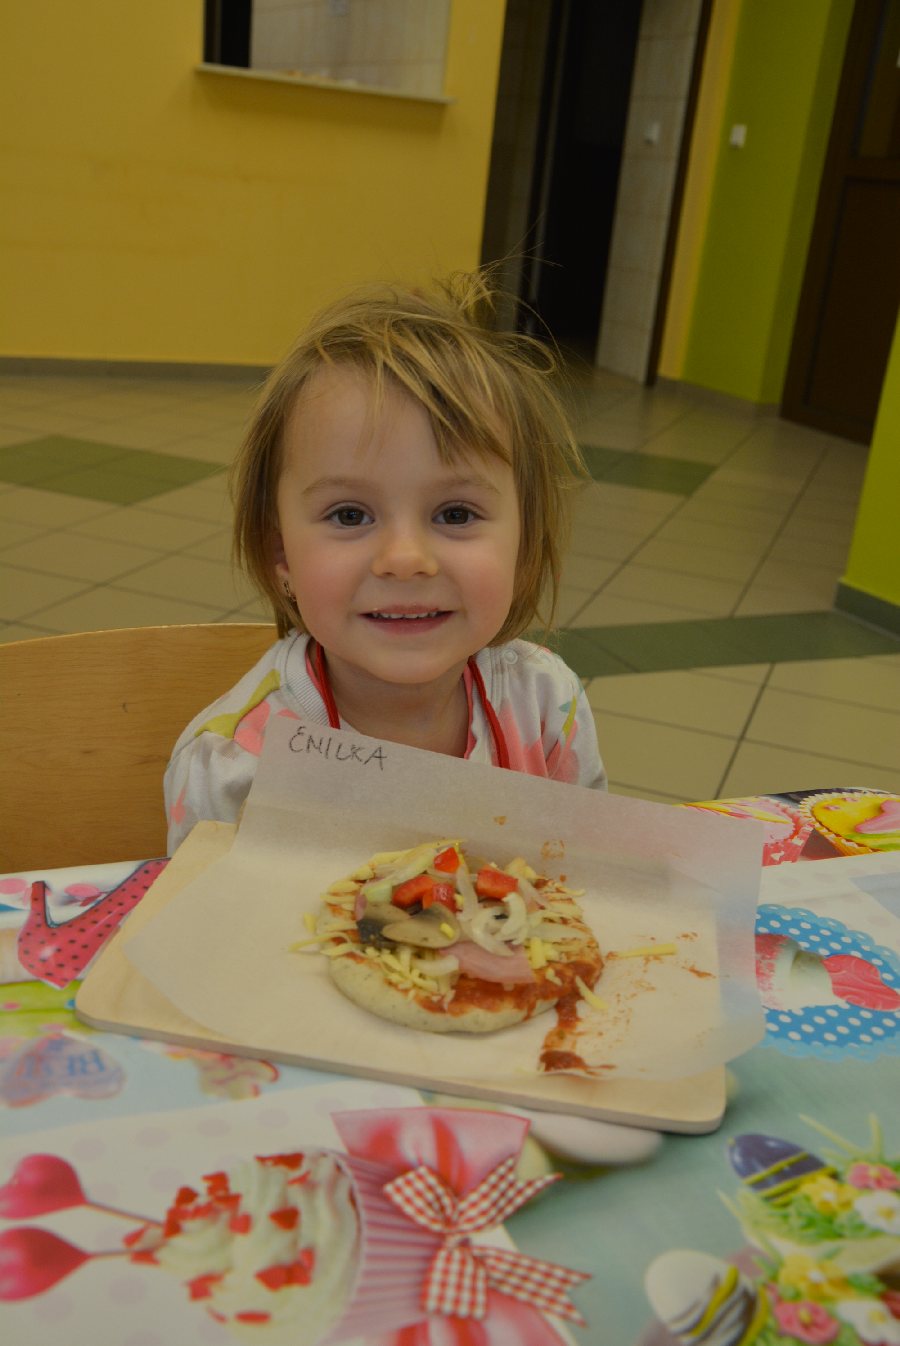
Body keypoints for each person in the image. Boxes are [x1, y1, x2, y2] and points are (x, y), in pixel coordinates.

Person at [164, 270, 607, 855]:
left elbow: (586, 878)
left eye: (455, 514)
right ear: (280, 554)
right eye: (350, 515)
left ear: (525, 548)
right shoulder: (235, 767)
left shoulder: (547, 706)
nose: (405, 560)